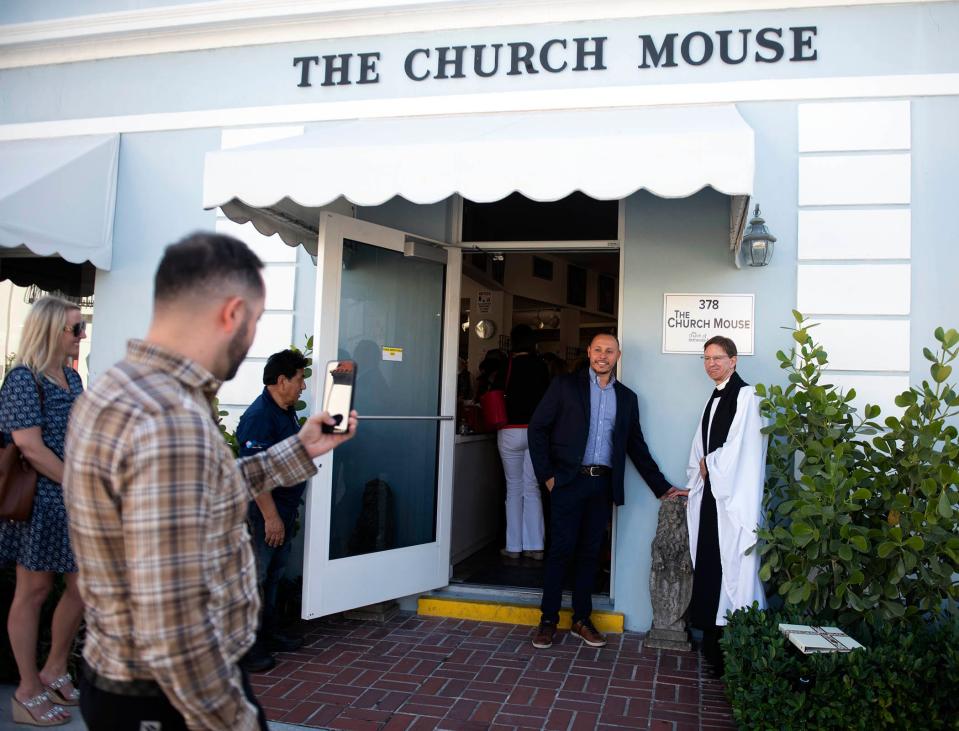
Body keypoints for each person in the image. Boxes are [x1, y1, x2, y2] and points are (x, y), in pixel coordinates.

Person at [63, 232, 357, 731]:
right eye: (254, 323)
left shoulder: (120, 387)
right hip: (171, 696)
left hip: (123, 680)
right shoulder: (170, 416)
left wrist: (303, 446)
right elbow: (172, 617)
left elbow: (205, 487)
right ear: (231, 314)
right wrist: (235, 719)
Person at [527, 333, 683, 649]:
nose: (602, 355)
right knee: (560, 551)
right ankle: (548, 620)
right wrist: (547, 476)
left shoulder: (626, 398)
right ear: (588, 352)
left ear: (617, 356)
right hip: (567, 483)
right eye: (598, 349)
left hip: (601, 485)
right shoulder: (565, 386)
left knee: (590, 554)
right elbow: (537, 428)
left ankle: (581, 620)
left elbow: (636, 447)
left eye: (609, 351)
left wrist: (662, 486)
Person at [0, 297, 87, 726]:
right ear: (51, 330)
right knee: (32, 592)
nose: (82, 335)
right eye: (75, 328)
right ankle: (27, 688)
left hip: (73, 502)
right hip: (41, 502)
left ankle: (54, 668)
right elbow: (30, 447)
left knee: (86, 586)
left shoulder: (72, 378)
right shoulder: (22, 379)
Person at [682, 336, 767, 673]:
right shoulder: (713, 397)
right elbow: (698, 447)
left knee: (730, 565)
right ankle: (713, 643)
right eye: (706, 358)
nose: (711, 364)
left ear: (734, 360)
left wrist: (712, 464)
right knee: (709, 563)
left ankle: (730, 645)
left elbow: (744, 447)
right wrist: (697, 476)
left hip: (731, 500)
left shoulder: (746, 395)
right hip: (712, 497)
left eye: (718, 357)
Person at [235, 349, 309, 673]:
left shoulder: (285, 410)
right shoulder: (258, 417)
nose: (303, 386)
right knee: (255, 578)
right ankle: (247, 649)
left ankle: (270, 632)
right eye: (299, 378)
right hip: (263, 511)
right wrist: (271, 517)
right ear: (282, 381)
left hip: (284, 507)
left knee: (275, 575)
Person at [495, 325, 550, 560]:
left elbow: (493, 394)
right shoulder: (541, 367)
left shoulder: (505, 366)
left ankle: (513, 547)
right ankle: (535, 546)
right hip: (535, 432)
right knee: (532, 487)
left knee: (513, 488)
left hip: (508, 431)